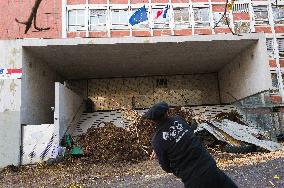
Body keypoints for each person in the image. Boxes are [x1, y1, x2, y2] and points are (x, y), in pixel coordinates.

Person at [143, 102, 238, 188]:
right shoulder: (178, 119)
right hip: (210, 167)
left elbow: (166, 167)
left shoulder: (157, 140)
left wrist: (177, 170)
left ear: (152, 121)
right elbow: (189, 133)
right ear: (167, 112)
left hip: (192, 179)